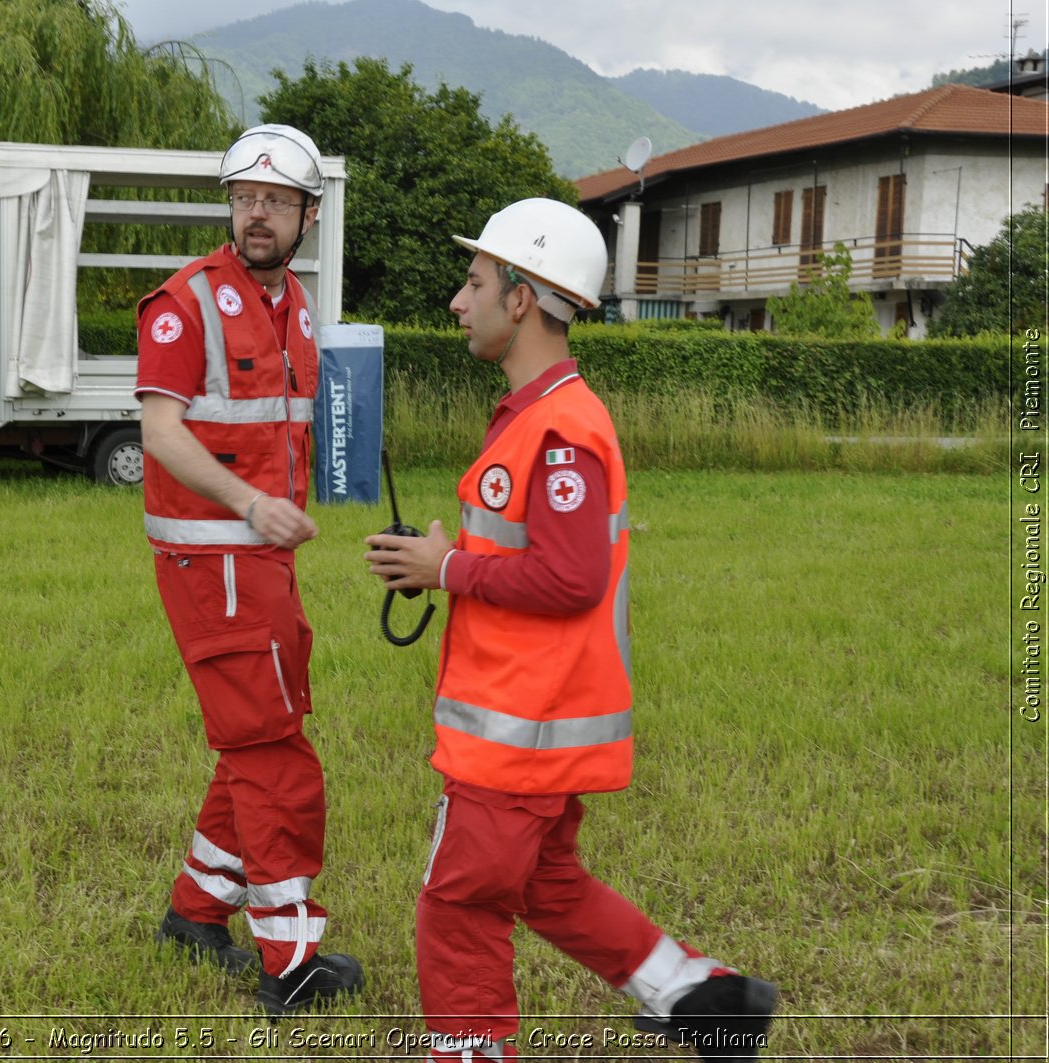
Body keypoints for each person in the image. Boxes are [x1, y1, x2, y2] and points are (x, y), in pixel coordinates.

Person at [364, 199, 777, 1061]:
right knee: (546, 884)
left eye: (474, 282)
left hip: (520, 733)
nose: (457, 300)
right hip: (531, 726)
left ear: (522, 298)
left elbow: (570, 576)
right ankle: (702, 996)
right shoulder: (536, 415)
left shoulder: (561, 430)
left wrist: (443, 571)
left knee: (460, 904)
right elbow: (526, 554)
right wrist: (447, 555)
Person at [134, 123, 363, 1016]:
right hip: (214, 561)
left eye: (274, 201)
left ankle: (194, 916)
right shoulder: (183, 302)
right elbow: (161, 432)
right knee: (275, 755)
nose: (255, 214)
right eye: (243, 198)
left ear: (308, 214)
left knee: (257, 731)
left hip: (266, 560)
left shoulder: (293, 304)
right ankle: (290, 959)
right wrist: (248, 504)